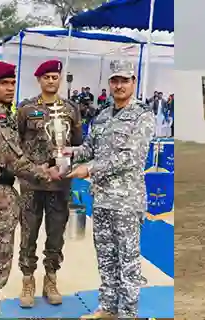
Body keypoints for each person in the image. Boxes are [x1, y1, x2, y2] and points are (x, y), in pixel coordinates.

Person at [65, 60, 155, 318]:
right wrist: (65, 153)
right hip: (102, 199)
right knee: (105, 258)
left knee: (128, 262)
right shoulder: (103, 116)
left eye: (124, 80)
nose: (119, 85)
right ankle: (108, 307)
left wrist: (89, 169)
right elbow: (88, 150)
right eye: (114, 80)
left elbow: (130, 157)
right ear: (109, 83)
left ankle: (127, 313)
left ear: (133, 82)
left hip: (126, 201)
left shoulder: (142, 115)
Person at [0, 61, 61, 318]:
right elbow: (13, 160)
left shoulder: (1, 111)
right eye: (4, 83)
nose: (10, 87)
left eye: (13, 82)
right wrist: (46, 172)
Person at [15, 59, 83, 308]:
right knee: (28, 234)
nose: (51, 81)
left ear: (60, 79)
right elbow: (17, 143)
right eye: (47, 77)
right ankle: (27, 279)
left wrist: (67, 165)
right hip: (32, 185)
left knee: (55, 235)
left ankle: (51, 278)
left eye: (55, 76)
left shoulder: (71, 109)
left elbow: (78, 143)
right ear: (39, 80)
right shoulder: (25, 108)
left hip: (60, 185)